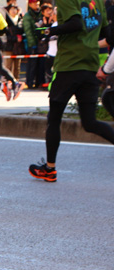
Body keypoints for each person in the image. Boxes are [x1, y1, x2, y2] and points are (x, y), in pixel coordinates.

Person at [29, 0, 114, 181]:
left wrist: (48, 31)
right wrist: (89, 46)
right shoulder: (97, 2)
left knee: (54, 119)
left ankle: (50, 169)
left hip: (68, 66)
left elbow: (75, 23)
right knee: (90, 122)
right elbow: (109, 35)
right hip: (90, 65)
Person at [23, 0, 42, 89]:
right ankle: (29, 83)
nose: (37, 4)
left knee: (39, 65)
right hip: (32, 43)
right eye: (34, 2)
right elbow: (28, 31)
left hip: (41, 43)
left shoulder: (41, 13)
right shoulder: (28, 16)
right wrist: (32, 44)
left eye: (38, 2)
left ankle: (38, 83)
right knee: (32, 64)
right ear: (30, 4)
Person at [3, 4, 24, 80]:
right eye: (11, 9)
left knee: (17, 66)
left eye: (15, 9)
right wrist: (15, 38)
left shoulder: (20, 20)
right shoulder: (5, 20)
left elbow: (23, 31)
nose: (14, 11)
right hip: (8, 46)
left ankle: (16, 81)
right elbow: (4, 35)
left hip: (18, 47)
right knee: (7, 65)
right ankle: (6, 81)